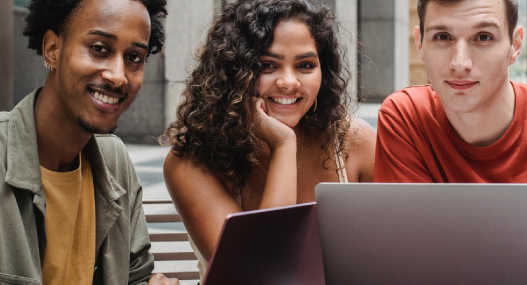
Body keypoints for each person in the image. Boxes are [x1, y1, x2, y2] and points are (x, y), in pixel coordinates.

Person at [161, 0, 375, 281]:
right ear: (233, 72)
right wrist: (283, 145)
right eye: (267, 65)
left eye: (306, 65)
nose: (289, 82)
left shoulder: (353, 142)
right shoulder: (192, 163)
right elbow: (261, 276)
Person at [0, 0, 179, 284]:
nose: (118, 76)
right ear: (52, 49)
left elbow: (136, 274)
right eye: (99, 49)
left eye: (134, 57)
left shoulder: (114, 161)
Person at [375, 0, 527, 183]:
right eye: (442, 36)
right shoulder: (407, 118)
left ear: (515, 46)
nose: (460, 63)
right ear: (420, 44)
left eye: (483, 37)